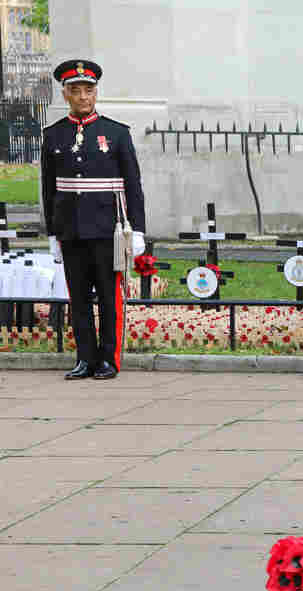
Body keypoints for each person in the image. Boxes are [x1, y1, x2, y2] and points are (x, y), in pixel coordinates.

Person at [41, 59, 146, 381]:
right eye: (76, 91)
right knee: (79, 299)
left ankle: (108, 360)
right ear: (66, 94)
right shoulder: (54, 135)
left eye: (89, 90)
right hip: (70, 230)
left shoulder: (116, 133)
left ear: (96, 93)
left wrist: (138, 230)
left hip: (107, 230)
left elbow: (133, 185)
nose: (83, 97)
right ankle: (84, 359)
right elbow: (48, 188)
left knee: (109, 297)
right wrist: (51, 233)